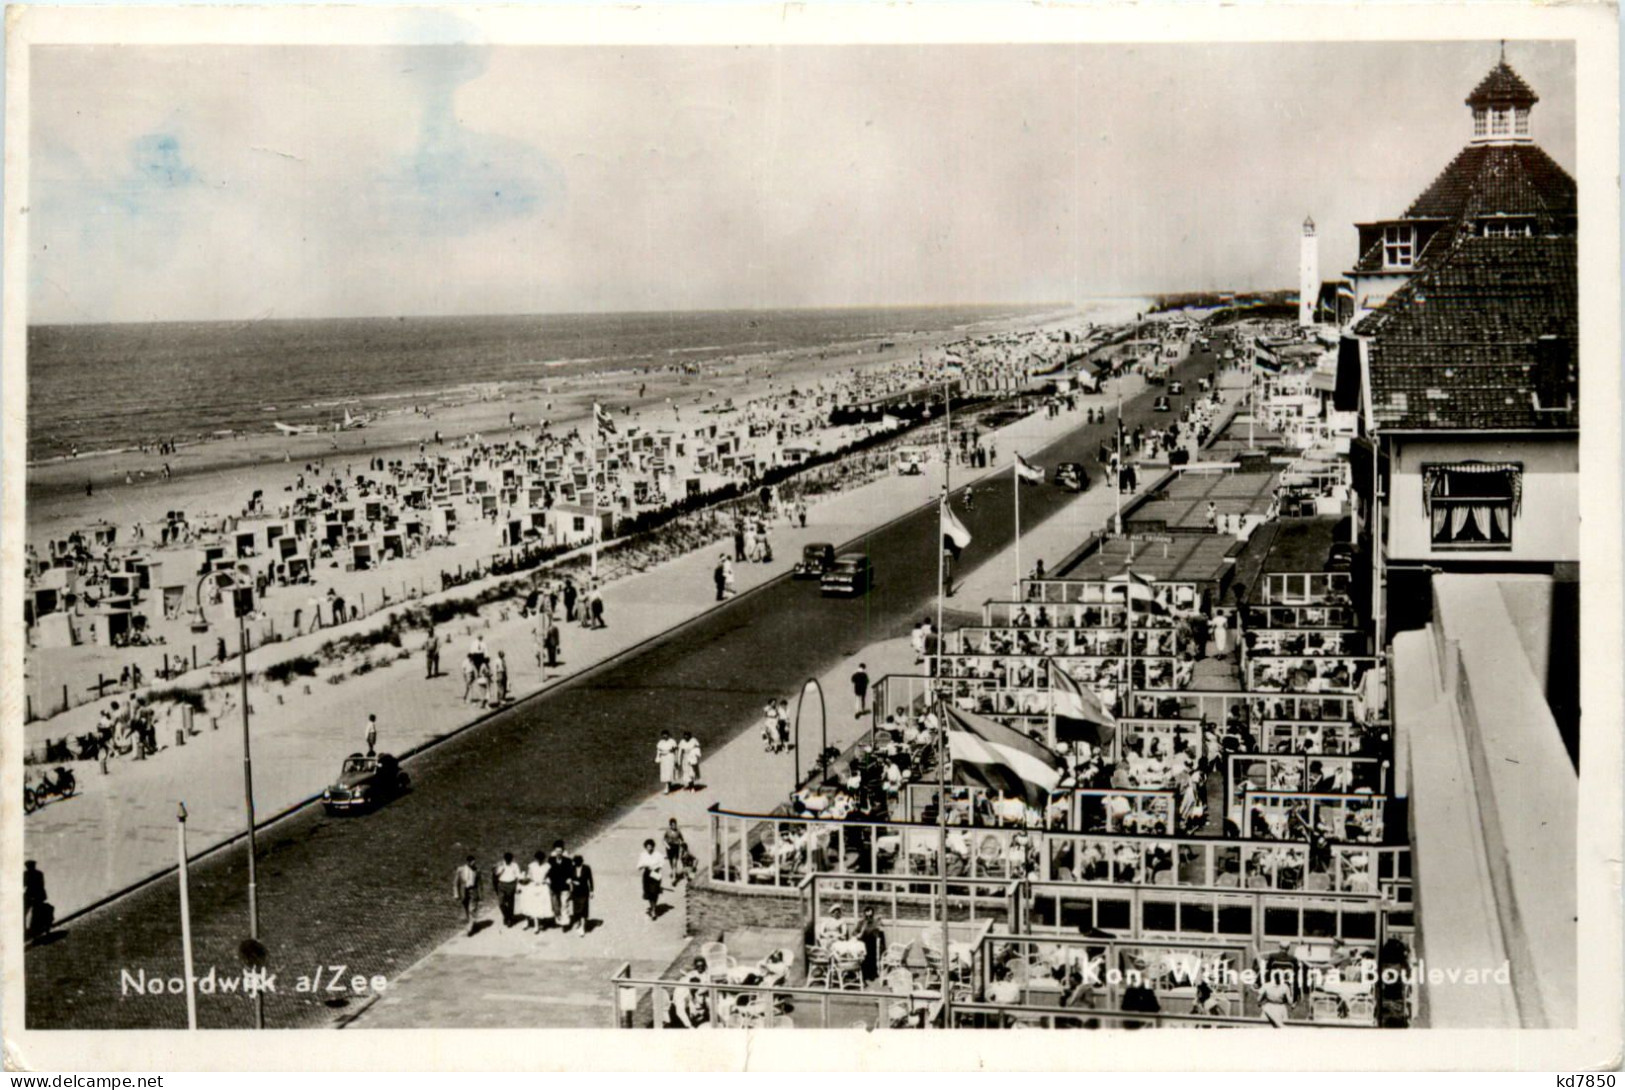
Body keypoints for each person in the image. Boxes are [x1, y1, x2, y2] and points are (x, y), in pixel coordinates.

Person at [544, 841, 574, 930]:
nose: (558, 853)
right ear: (554, 851)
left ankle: (565, 923)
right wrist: (548, 878)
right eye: (557, 851)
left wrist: (570, 878)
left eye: (560, 851)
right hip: (554, 886)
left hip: (564, 886)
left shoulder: (568, 861)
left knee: (564, 904)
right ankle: (558, 917)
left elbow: (572, 872)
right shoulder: (551, 860)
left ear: (563, 851)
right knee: (555, 905)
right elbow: (548, 871)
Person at [517, 850, 549, 932]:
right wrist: (523, 879)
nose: (538, 861)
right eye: (537, 859)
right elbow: (529, 876)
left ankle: (538, 924)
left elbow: (548, 877)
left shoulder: (547, 866)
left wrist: (544, 881)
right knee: (528, 904)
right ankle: (527, 921)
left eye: (540, 859)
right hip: (533, 886)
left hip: (542, 887)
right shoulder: (531, 866)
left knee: (540, 906)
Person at [453, 854, 481, 935]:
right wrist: (456, 894)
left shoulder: (477, 870)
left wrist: (480, 894)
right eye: (472, 862)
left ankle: (469, 928)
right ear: (468, 862)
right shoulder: (460, 870)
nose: (474, 864)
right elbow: (456, 883)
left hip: (473, 891)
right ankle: (471, 923)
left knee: (472, 909)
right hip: (464, 892)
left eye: (474, 862)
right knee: (466, 909)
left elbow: (479, 883)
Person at [638, 839, 665, 921]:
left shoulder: (658, 854)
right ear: (645, 847)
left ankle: (653, 908)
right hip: (647, 875)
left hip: (655, 874)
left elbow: (661, 864)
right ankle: (653, 909)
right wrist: (643, 865)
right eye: (647, 847)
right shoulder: (643, 855)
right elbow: (639, 866)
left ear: (653, 847)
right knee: (649, 893)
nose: (649, 849)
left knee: (655, 892)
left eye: (651, 847)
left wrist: (656, 867)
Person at [493, 852, 521, 928]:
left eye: (510, 860)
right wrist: (501, 869)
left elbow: (518, 876)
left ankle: (509, 919)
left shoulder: (515, 865)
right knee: (501, 903)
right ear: (504, 859)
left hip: (511, 884)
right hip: (502, 884)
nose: (508, 861)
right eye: (507, 860)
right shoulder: (500, 864)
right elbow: (495, 874)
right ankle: (506, 916)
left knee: (510, 903)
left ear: (512, 859)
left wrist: (518, 887)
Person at [568, 854, 594, 936]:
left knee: (583, 909)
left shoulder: (586, 868)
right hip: (575, 892)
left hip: (584, 892)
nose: (577, 864)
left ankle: (583, 927)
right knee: (576, 909)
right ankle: (578, 922)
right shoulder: (572, 868)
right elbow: (569, 878)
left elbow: (590, 879)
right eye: (576, 863)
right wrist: (572, 882)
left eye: (579, 863)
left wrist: (592, 891)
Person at [663, 818, 691, 885]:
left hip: (676, 848)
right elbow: (663, 839)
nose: (674, 826)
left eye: (675, 825)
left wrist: (682, 846)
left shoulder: (678, 831)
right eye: (672, 825)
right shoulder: (667, 831)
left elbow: (682, 839)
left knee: (675, 862)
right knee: (670, 862)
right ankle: (673, 871)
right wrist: (667, 845)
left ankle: (674, 878)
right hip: (669, 848)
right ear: (670, 825)